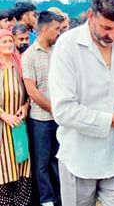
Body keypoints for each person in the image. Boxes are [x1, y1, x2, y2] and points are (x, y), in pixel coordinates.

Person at [48, 0, 114, 206]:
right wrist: (112, 120)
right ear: (90, 15)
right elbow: (63, 111)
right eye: (105, 27)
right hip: (78, 157)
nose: (112, 35)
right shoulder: (67, 46)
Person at [21, 11, 63, 206]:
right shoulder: (29, 55)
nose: (59, 32)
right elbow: (32, 91)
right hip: (40, 119)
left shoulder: (59, 51)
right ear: (45, 29)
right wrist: (54, 109)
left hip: (61, 117)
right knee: (42, 162)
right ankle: (47, 199)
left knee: (59, 159)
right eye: (56, 28)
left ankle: (60, 196)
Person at [0, 29, 31, 205]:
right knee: (4, 168)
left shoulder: (19, 64)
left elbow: (29, 93)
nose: (8, 45)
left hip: (19, 126)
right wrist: (4, 116)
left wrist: (26, 107)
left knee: (22, 166)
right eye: (3, 42)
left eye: (10, 41)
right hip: (2, 128)